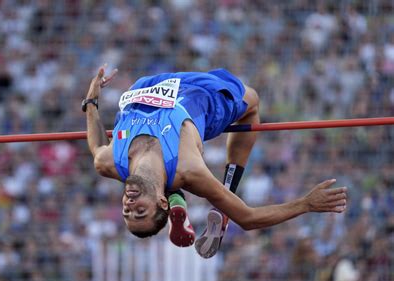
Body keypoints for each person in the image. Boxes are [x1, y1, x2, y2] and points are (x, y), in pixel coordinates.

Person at [84, 65, 347, 258]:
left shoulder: (109, 162)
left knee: (153, 175)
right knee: (252, 103)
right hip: (200, 96)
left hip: (145, 88)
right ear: (159, 203)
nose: (129, 206)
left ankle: (177, 198)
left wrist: (91, 100)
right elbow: (248, 217)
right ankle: (219, 203)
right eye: (139, 211)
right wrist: (305, 204)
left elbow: (96, 145)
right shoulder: (188, 167)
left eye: (126, 212)